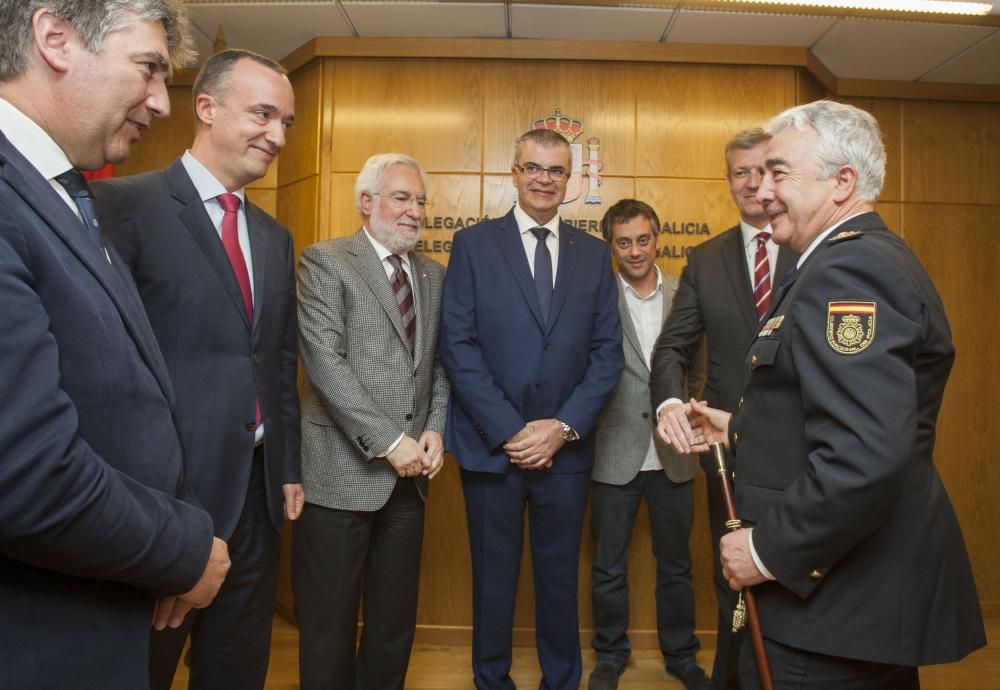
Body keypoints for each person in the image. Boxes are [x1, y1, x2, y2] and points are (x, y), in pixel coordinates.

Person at [686, 100, 986, 688]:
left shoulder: (849, 273)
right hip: (838, 609)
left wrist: (766, 549)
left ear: (842, 182)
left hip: (830, 613)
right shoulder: (837, 261)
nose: (761, 190)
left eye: (779, 173)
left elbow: (865, 455)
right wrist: (743, 429)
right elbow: (833, 413)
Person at [0, 2, 229, 689]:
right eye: (149, 69)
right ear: (55, 38)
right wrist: (182, 549)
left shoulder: (61, 192)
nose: (162, 102)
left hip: (100, 606)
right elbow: (25, 473)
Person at [91, 49, 301, 689]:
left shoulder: (272, 234)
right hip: (164, 498)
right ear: (205, 108)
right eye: (264, 114)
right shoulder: (121, 208)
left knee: (237, 668)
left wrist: (287, 466)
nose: (278, 136)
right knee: (145, 666)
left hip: (259, 500)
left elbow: (278, 357)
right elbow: (107, 370)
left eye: (287, 122)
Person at [441, 128, 623, 690]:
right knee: (493, 580)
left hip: (564, 455)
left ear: (570, 182)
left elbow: (606, 355)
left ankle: (561, 681)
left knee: (558, 579)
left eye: (557, 171)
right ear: (514, 173)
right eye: (534, 168)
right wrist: (512, 431)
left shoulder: (594, 256)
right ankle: (491, 680)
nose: (545, 179)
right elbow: (458, 346)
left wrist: (561, 429)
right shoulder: (474, 246)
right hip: (492, 448)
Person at [293, 153, 448, 690]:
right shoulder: (326, 261)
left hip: (411, 483)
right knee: (329, 624)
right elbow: (324, 363)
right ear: (367, 202)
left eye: (421, 201)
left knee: (392, 623)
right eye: (402, 198)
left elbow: (439, 367)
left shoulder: (433, 274)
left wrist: (434, 430)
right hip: (340, 477)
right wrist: (389, 441)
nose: (414, 211)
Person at [650, 127, 797, 690]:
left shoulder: (811, 245)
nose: (754, 183)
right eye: (741, 172)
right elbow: (673, 345)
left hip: (804, 448)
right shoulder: (707, 258)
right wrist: (668, 401)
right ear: (729, 181)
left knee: (795, 570)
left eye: (765, 170)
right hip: (728, 453)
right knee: (730, 573)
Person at [588, 199, 709, 690]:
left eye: (643, 239)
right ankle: (611, 655)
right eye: (623, 242)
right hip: (612, 452)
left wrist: (691, 408)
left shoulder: (687, 294)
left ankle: (681, 655)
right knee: (607, 566)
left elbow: (699, 365)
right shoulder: (595, 296)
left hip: (674, 453)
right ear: (611, 246)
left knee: (677, 565)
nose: (635, 251)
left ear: (657, 239)